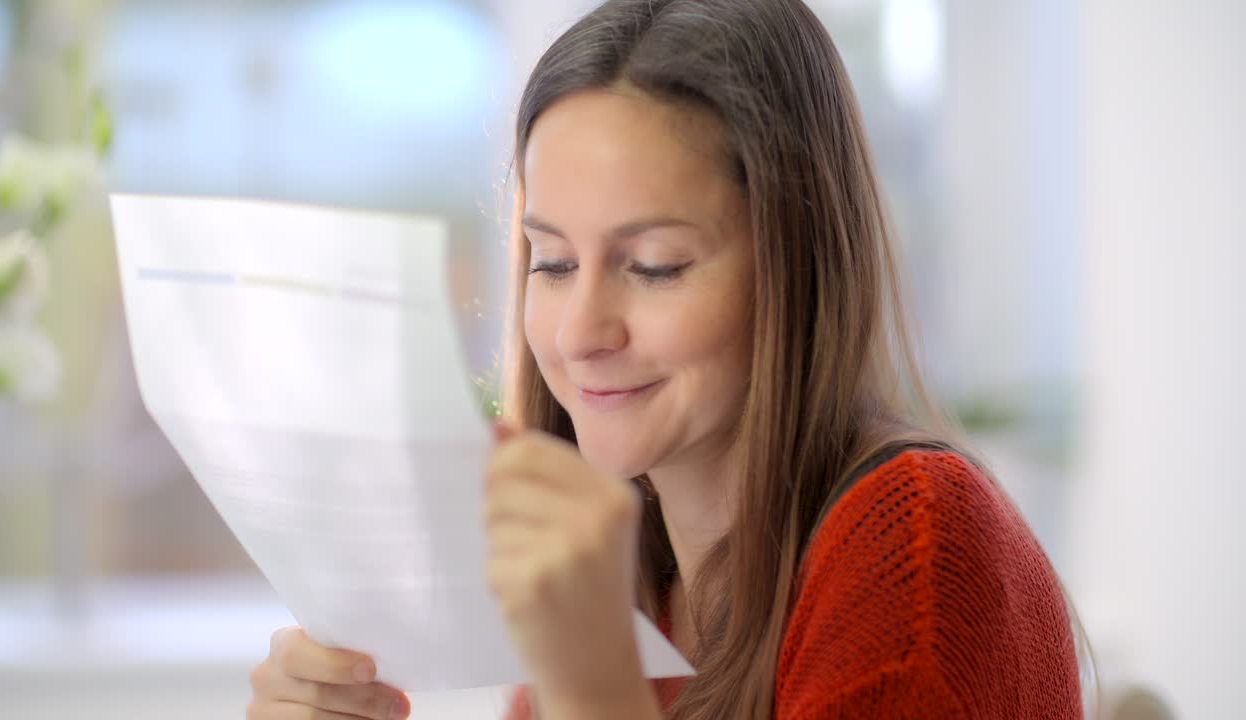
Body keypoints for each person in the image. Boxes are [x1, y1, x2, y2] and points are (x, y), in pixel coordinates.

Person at [246, 1, 1087, 718]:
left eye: (653, 266)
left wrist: (600, 690)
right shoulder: (626, 582)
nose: (579, 335)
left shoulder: (917, 543)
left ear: (797, 265)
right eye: (553, 263)